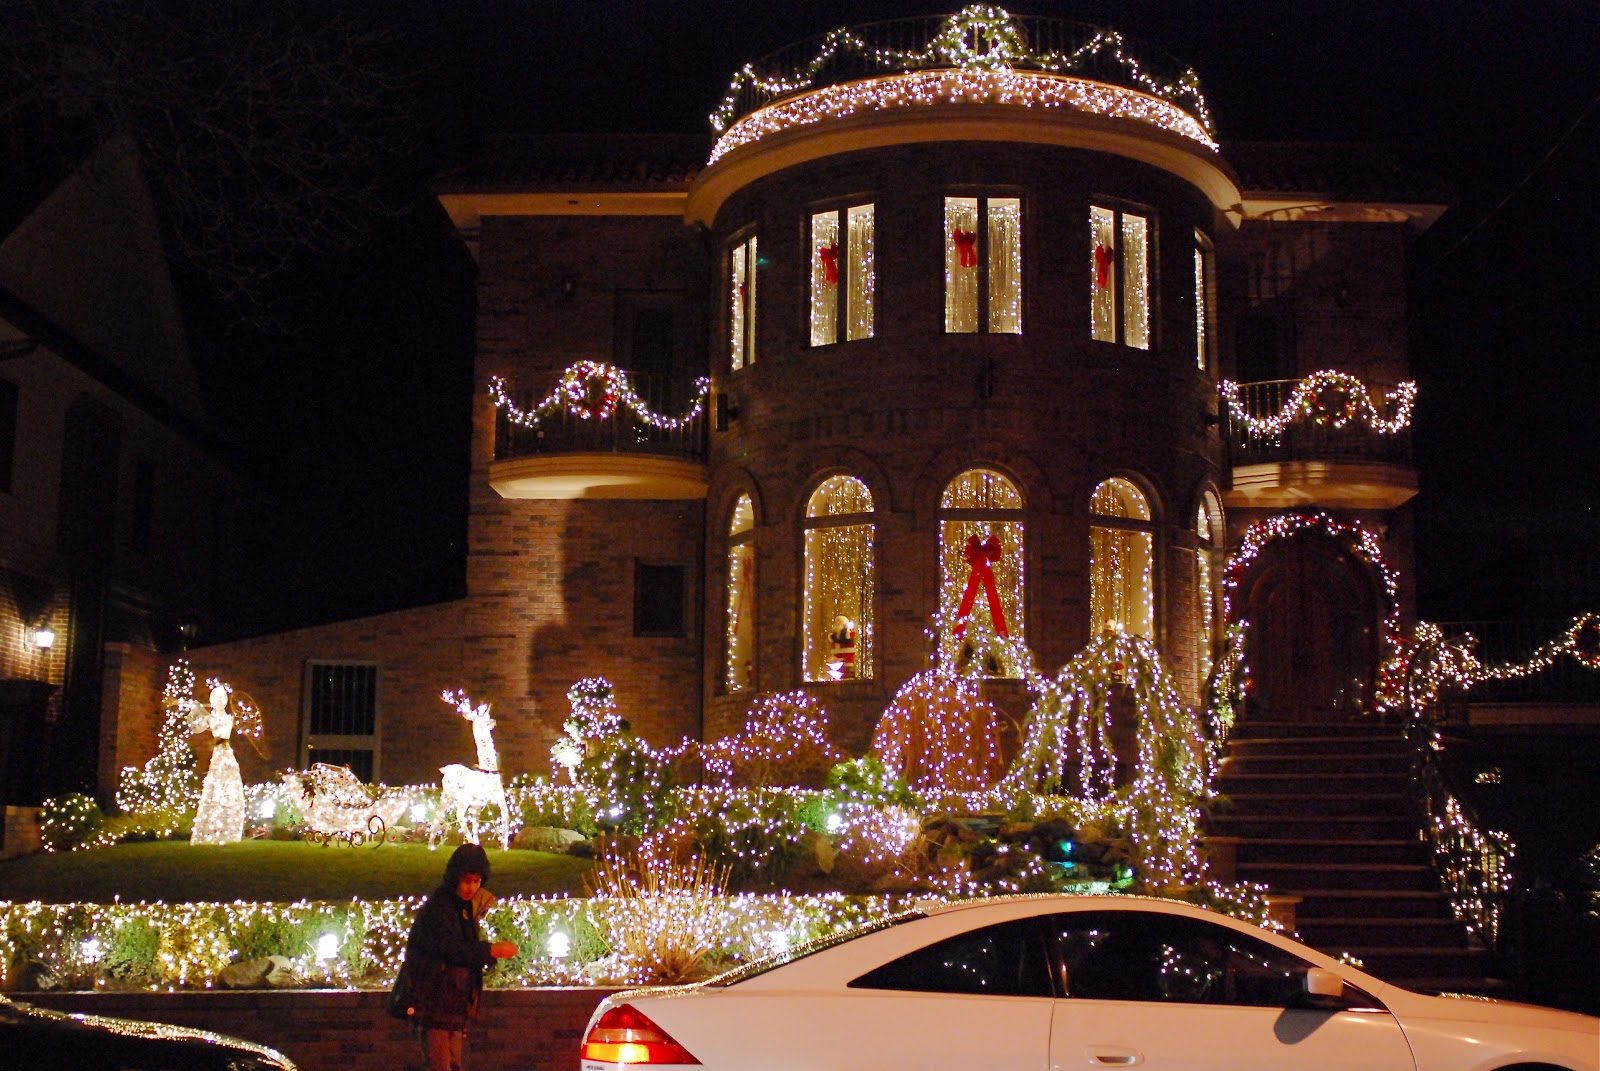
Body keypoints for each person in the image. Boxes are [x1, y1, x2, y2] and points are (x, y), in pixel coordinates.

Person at [400, 843, 518, 1071]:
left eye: (476, 881)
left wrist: (486, 955)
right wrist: (489, 951)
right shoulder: (440, 908)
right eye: (466, 880)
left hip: (452, 1002)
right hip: (434, 1001)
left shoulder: (463, 908)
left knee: (452, 1064)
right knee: (441, 1064)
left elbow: (464, 949)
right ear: (455, 878)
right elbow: (449, 949)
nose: (471, 887)